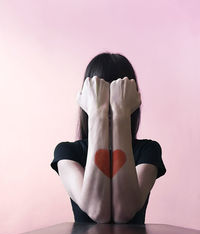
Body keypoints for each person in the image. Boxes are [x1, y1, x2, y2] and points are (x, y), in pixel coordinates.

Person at [50, 52, 167, 224]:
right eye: (101, 96)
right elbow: (97, 211)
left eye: (118, 96)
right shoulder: (67, 152)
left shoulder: (149, 150)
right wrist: (97, 114)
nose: (110, 103)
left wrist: (121, 114)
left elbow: (123, 211)